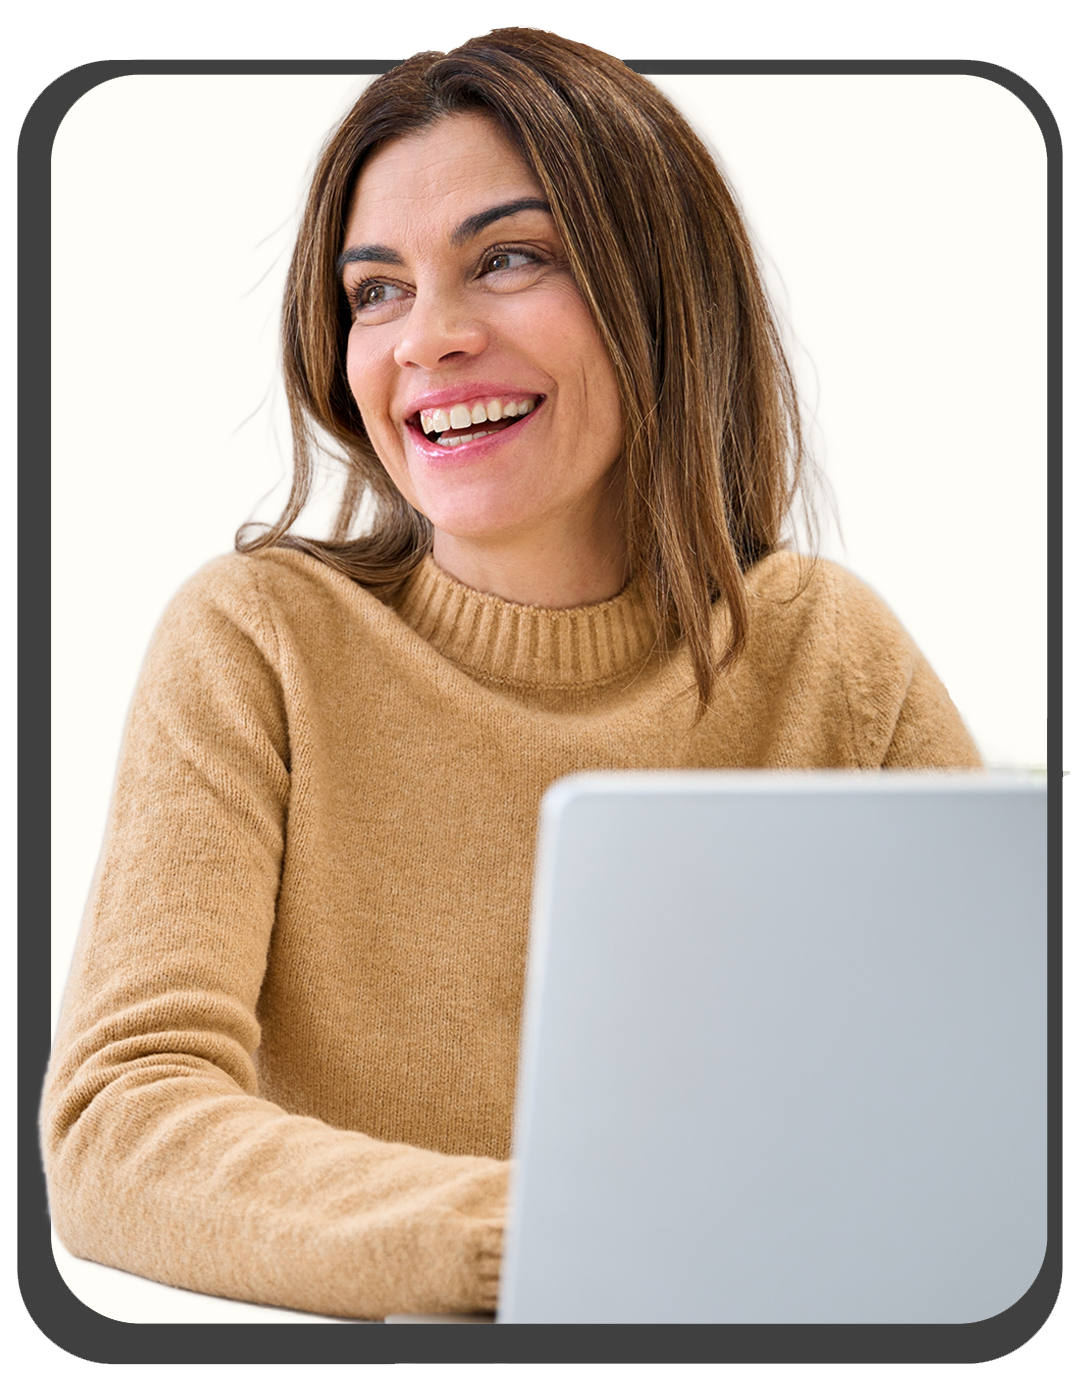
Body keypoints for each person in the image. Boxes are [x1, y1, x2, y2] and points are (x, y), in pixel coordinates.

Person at [41, 27, 982, 1323]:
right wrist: (546, 1239)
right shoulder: (256, 639)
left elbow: (998, 1115)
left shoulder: (831, 654)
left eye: (509, 258)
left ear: (657, 291)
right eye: (376, 290)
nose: (426, 339)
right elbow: (119, 1127)